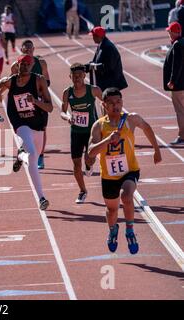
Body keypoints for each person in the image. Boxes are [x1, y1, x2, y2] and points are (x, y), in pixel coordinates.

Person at [88, 88, 162, 254]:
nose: (116, 106)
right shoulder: (99, 126)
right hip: (109, 175)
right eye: (112, 103)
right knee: (112, 210)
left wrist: (156, 149)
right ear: (104, 105)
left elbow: (147, 127)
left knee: (126, 196)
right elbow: (91, 152)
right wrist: (108, 140)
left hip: (130, 170)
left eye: (119, 102)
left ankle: (129, 231)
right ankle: (113, 230)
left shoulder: (130, 119)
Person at [0, 55, 53, 210]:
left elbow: (50, 107)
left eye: (27, 64)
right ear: (17, 65)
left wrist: (36, 102)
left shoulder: (39, 80)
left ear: (32, 66)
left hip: (37, 124)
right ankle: (41, 198)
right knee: (32, 156)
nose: (25, 66)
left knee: (33, 155)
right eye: (22, 64)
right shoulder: (11, 80)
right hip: (20, 124)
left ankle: (20, 155)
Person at [0, 39, 51, 169]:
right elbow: (11, 81)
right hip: (22, 102)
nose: (28, 50)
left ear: (33, 49)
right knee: (25, 127)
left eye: (30, 48)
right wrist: (1, 92)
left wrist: (39, 92)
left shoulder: (42, 63)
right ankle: (23, 150)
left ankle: (40, 157)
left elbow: (47, 81)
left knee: (42, 129)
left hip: (38, 101)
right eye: (25, 49)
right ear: (21, 50)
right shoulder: (16, 66)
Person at [61, 63, 102, 203]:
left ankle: (89, 165)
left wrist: (105, 120)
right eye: (74, 76)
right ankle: (82, 190)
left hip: (91, 131)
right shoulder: (67, 92)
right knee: (76, 163)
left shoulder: (94, 90)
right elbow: (62, 111)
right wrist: (67, 117)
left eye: (80, 75)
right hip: (76, 132)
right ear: (70, 76)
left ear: (84, 76)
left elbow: (105, 102)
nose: (77, 78)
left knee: (89, 159)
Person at [86, 27, 128, 93]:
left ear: (100, 36)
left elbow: (109, 66)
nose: (93, 38)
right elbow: (96, 61)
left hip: (111, 83)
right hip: (106, 82)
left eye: (94, 36)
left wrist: (93, 66)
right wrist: (85, 67)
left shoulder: (108, 48)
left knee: (110, 102)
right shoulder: (101, 45)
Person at [163, 21, 184, 145]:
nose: (169, 34)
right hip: (181, 83)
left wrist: (172, 81)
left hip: (179, 85)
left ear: (175, 32)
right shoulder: (181, 42)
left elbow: (177, 65)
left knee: (180, 111)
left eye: (170, 32)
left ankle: (182, 136)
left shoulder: (177, 45)